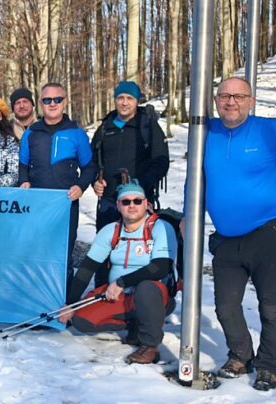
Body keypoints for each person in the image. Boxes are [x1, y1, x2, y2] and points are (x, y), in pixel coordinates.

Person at [188, 76, 276, 390]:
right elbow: (194, 177)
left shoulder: (269, 130)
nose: (231, 102)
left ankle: (267, 365)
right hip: (226, 238)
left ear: (250, 101)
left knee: (271, 304)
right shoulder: (205, 132)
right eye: (224, 96)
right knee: (225, 306)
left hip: (268, 232)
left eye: (239, 96)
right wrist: (189, 213)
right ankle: (241, 355)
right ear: (216, 100)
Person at [59, 180, 177, 365]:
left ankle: (150, 345)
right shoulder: (111, 230)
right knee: (81, 320)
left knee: (145, 288)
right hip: (122, 296)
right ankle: (138, 324)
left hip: (154, 295)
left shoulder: (160, 227)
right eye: (126, 202)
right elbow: (87, 268)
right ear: (118, 206)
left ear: (146, 203)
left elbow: (161, 267)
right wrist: (71, 303)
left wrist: (122, 281)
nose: (132, 206)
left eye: (137, 201)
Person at [19, 83, 97, 294]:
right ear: (40, 103)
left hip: (66, 204)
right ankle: (36, 301)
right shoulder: (31, 133)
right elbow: (23, 165)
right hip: (37, 204)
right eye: (47, 100)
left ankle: (64, 303)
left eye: (57, 99)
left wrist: (81, 186)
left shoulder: (76, 133)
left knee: (63, 255)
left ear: (65, 101)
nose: (52, 104)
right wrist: (24, 181)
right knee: (37, 253)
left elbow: (89, 167)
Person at [90, 81, 169, 232]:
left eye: (130, 98)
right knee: (106, 244)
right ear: (115, 100)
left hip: (138, 202)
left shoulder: (147, 126)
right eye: (120, 98)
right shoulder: (105, 128)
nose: (124, 103)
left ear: (137, 101)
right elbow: (92, 160)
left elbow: (161, 161)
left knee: (137, 245)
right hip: (109, 202)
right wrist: (95, 181)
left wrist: (141, 184)